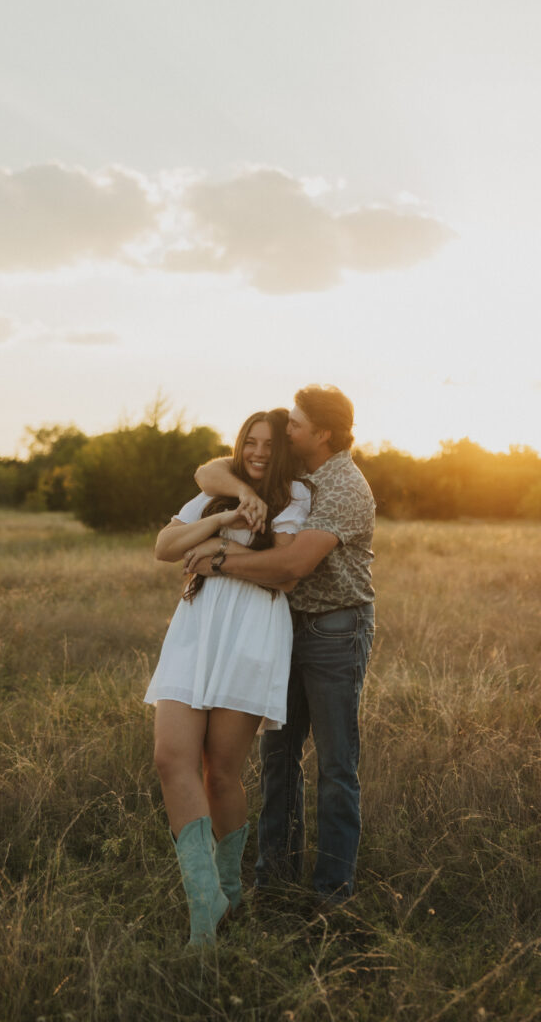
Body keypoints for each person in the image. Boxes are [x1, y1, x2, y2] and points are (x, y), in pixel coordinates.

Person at [192, 385, 376, 903]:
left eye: (294, 424)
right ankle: (274, 881)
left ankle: (331, 893)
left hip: (335, 629)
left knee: (336, 765)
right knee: (278, 756)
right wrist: (247, 495)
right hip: (283, 629)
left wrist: (220, 560)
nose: (285, 430)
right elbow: (209, 471)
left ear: (322, 433)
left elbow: (293, 567)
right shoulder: (294, 469)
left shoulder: (344, 486)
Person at [145, 409, 310, 945]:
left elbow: (282, 567)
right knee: (172, 758)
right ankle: (204, 906)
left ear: (282, 451)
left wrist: (214, 552)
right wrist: (220, 520)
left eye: (268, 444)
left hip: (250, 632)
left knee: (219, 772)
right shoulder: (220, 495)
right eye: (250, 442)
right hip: (195, 631)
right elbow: (166, 548)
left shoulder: (295, 498)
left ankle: (229, 898)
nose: (259, 452)